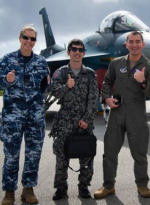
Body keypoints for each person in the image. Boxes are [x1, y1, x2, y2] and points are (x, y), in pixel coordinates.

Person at [93, 31, 150, 199]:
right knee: (109, 151)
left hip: (137, 112)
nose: (134, 44)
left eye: (138, 41)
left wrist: (143, 81)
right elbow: (107, 82)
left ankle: (142, 185)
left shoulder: (149, 66)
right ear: (126, 44)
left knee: (139, 152)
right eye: (131, 42)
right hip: (117, 111)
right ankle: (108, 186)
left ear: (143, 44)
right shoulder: (116, 64)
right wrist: (106, 98)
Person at [0, 25, 50, 205]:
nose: (29, 42)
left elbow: (45, 86)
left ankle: (28, 189)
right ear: (20, 38)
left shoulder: (42, 62)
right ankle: (9, 192)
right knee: (11, 154)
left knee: (33, 153)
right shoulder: (7, 59)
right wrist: (6, 80)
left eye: (33, 39)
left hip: (35, 116)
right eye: (26, 37)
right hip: (13, 116)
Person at [49, 38, 98, 200]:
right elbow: (54, 92)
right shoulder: (61, 72)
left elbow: (93, 99)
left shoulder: (90, 74)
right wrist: (66, 87)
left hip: (84, 122)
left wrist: (87, 119)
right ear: (69, 51)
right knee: (62, 156)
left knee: (86, 156)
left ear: (84, 53)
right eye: (74, 49)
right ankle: (61, 188)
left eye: (80, 50)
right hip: (64, 121)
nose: (77, 52)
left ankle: (84, 186)